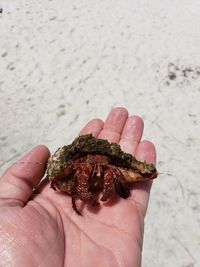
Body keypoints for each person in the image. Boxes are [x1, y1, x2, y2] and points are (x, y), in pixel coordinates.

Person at [0, 107, 156, 267]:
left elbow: (115, 173)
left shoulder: (109, 167)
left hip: (103, 163)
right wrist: (57, 180)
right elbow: (71, 171)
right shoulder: (81, 165)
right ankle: (78, 200)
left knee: (112, 174)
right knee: (80, 178)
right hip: (82, 165)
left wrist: (123, 189)